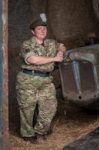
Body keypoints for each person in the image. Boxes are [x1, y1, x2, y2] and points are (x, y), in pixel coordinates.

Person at [16, 13, 66, 144]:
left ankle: (40, 130)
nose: (43, 31)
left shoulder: (50, 43)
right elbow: (32, 59)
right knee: (27, 108)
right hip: (28, 80)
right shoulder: (26, 44)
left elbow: (61, 45)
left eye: (44, 29)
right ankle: (27, 134)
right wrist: (55, 58)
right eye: (39, 29)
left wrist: (60, 51)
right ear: (33, 32)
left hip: (46, 80)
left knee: (50, 106)